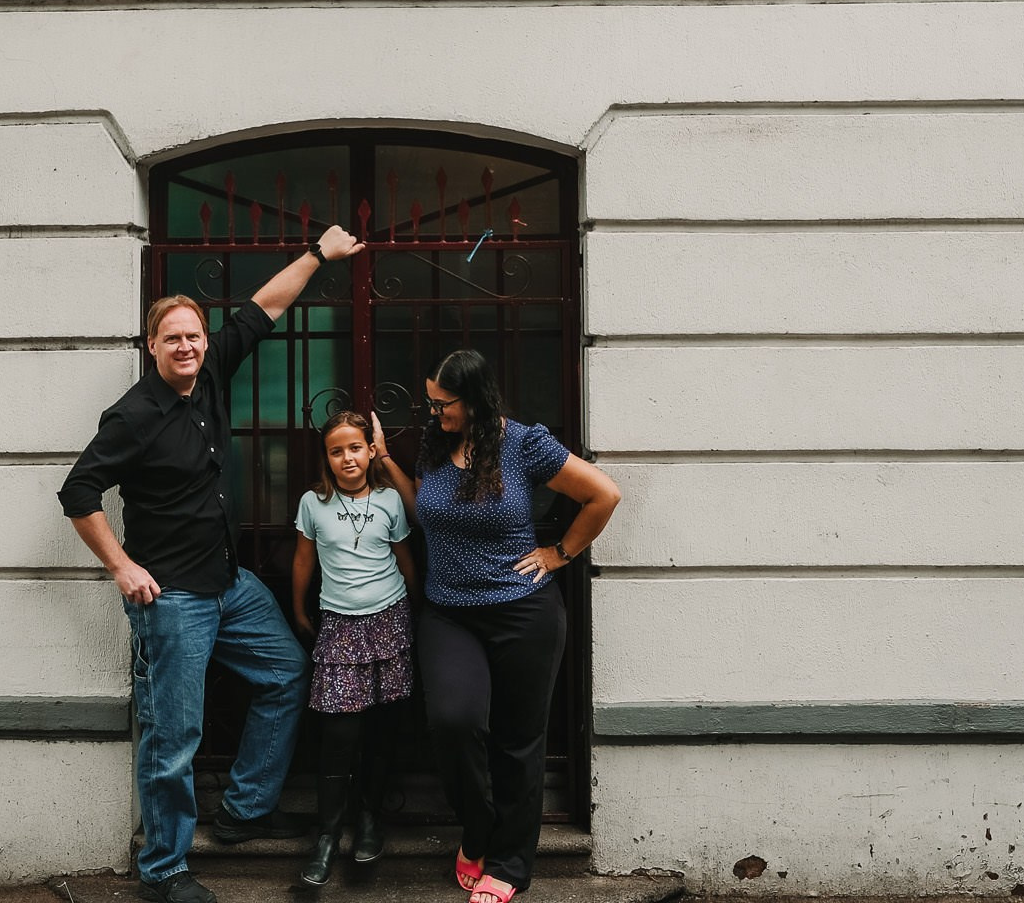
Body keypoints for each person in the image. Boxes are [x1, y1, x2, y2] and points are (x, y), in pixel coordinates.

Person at [58, 224, 365, 903]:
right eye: (173, 339)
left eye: (194, 335)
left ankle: (243, 812)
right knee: (174, 737)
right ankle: (164, 868)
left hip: (229, 585)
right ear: (152, 346)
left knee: (286, 674)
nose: (188, 346)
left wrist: (317, 254)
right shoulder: (133, 416)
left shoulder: (214, 372)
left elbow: (265, 307)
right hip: (172, 600)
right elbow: (78, 491)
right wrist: (120, 566)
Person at [369, 349, 621, 903]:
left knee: (518, 742)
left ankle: (509, 864)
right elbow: (423, 514)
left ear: (476, 398)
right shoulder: (435, 445)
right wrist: (388, 463)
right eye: (430, 403)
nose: (434, 413)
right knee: (454, 722)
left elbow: (604, 494)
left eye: (444, 404)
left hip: (522, 611)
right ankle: (478, 826)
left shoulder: (525, 444)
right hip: (448, 611)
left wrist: (560, 552)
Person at [289, 409, 416, 886]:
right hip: (338, 625)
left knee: (382, 731)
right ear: (326, 456)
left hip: (389, 620)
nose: (347, 458)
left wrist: (416, 610)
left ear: (370, 451)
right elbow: (303, 559)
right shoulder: (312, 503)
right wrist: (299, 611)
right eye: (337, 450)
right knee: (339, 735)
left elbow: (405, 560)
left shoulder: (389, 500)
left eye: (356, 448)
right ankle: (326, 836)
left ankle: (369, 822)